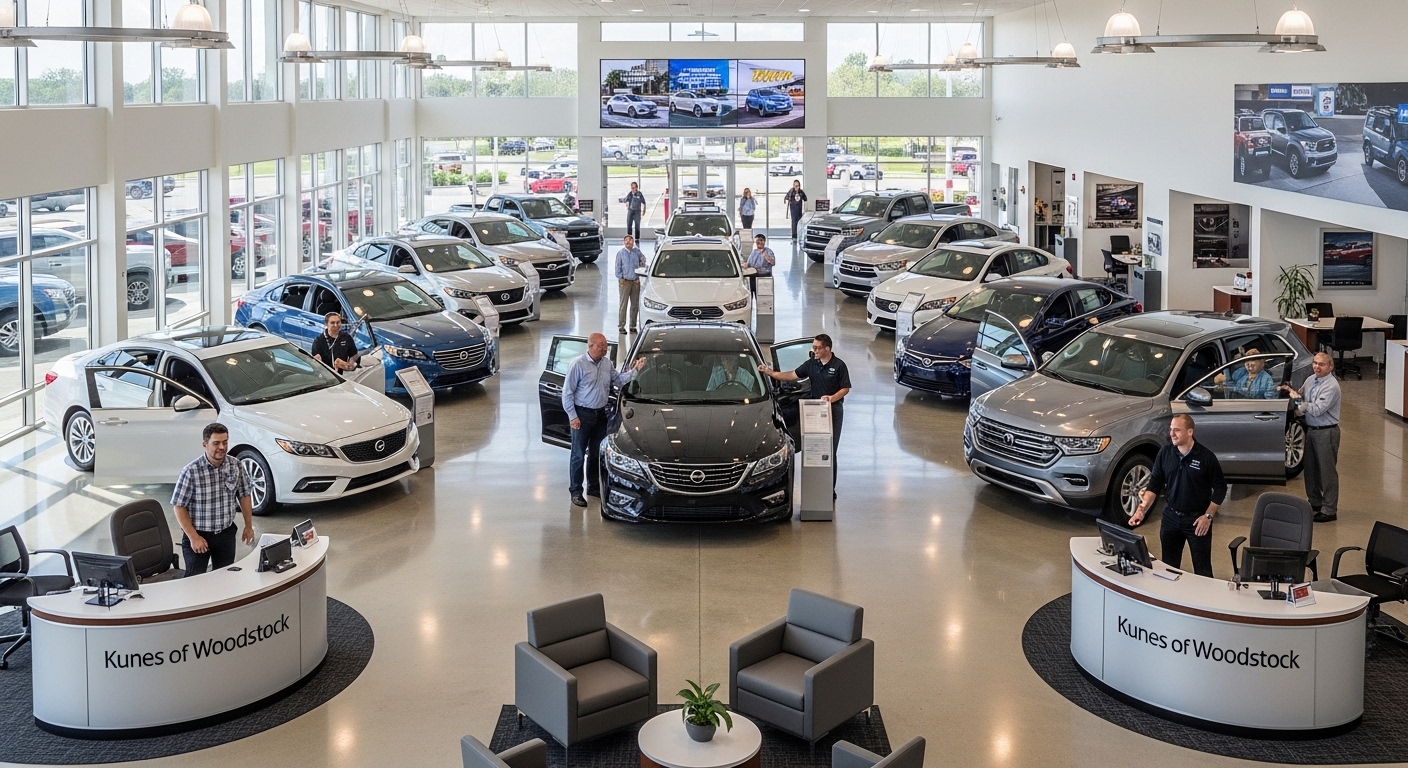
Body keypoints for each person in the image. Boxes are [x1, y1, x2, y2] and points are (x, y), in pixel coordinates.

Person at [1128, 414, 1226, 578]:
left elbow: (1221, 489)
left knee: (1202, 570)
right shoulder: (1165, 453)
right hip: (1170, 518)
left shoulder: (1206, 458)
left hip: (1196, 520)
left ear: (1190, 432)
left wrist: (1208, 516)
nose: (1172, 434)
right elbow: (1154, 485)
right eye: (1171, 429)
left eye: (1177, 430)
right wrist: (1141, 510)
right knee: (1169, 567)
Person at [758, 333, 851, 493]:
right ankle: (815, 487)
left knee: (830, 450)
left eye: (817, 347)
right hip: (815, 412)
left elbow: (845, 388)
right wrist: (770, 373)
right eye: (813, 347)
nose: (813, 350)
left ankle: (830, 489)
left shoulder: (839, 366)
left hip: (833, 411)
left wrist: (832, 398)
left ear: (827, 348)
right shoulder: (811, 364)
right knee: (815, 449)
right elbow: (792, 375)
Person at [562, 333, 644, 508]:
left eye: (606, 346)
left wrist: (635, 370)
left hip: (600, 415)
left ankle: (592, 487)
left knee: (594, 454)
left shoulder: (607, 364)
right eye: (601, 346)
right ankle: (576, 491)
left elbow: (619, 380)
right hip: (582, 415)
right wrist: (573, 417)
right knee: (578, 454)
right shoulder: (578, 365)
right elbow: (567, 393)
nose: (605, 349)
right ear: (591, 346)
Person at [172, 423, 257, 578]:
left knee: (224, 579)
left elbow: (244, 495)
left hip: (225, 534)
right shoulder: (191, 471)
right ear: (205, 444)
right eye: (216, 443)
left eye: (225, 442)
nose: (222, 447)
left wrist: (248, 526)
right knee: (195, 582)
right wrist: (194, 537)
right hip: (199, 534)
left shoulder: (235, 465)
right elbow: (179, 507)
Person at [1281, 352, 1340, 522]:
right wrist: (1290, 391)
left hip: (1326, 432)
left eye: (1321, 364)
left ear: (1330, 366)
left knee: (1327, 472)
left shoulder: (1331, 386)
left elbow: (1315, 409)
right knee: (1311, 469)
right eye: (1315, 363)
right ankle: (1315, 502)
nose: (1316, 367)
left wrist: (1299, 401)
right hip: (1311, 430)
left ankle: (1329, 509)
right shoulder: (1310, 379)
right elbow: (1300, 394)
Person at [614, 235, 646, 333]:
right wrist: (621, 278)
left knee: (634, 305)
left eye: (630, 240)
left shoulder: (637, 252)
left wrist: (640, 271)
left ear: (633, 242)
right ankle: (621, 326)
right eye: (626, 241)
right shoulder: (620, 254)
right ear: (624, 242)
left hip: (635, 282)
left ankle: (633, 325)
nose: (629, 242)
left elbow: (643, 260)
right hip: (625, 282)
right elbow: (617, 267)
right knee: (623, 305)